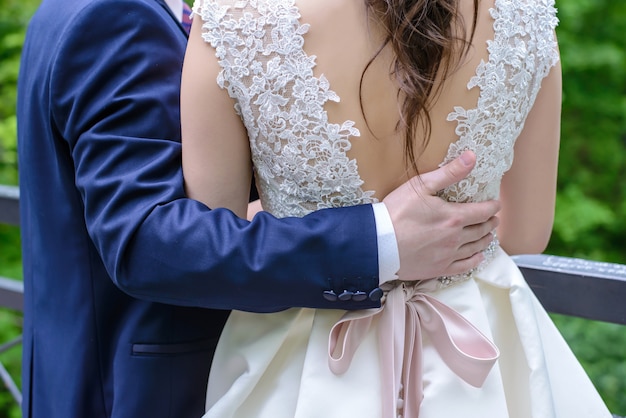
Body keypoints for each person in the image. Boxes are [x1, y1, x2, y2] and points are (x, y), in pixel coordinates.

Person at [15, 0, 501, 417]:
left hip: (80, 361)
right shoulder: (114, 18)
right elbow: (143, 239)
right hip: (139, 390)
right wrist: (379, 240)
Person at [182, 0, 613, 416]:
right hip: (480, 347)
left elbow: (215, 241)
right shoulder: (528, 14)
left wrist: (286, 215)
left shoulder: (233, 16)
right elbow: (526, 233)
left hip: (299, 357)